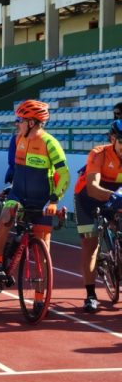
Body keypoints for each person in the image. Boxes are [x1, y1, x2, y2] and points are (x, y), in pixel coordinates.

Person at [0, 100, 70, 291]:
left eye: (20, 120)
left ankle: (40, 299)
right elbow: (17, 170)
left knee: (43, 252)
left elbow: (64, 174)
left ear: (31, 123)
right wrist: (9, 188)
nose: (17, 123)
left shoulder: (50, 143)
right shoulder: (18, 139)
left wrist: (54, 200)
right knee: (5, 216)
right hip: (18, 195)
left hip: (42, 200)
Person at [72, 120, 122, 312]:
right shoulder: (99, 153)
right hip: (88, 198)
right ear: (113, 139)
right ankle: (91, 295)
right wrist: (114, 197)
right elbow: (93, 188)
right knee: (90, 244)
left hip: (116, 196)